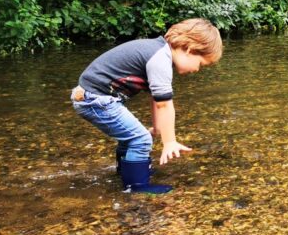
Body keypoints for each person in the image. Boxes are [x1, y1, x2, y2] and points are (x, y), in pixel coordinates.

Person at [71, 18, 223, 193]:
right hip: (96, 98)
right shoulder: (160, 58)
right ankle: (136, 187)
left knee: (132, 137)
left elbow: (155, 98)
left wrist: (158, 128)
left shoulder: (158, 52)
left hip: (91, 96)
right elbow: (164, 105)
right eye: (201, 64)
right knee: (141, 139)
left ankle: (126, 172)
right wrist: (169, 141)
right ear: (189, 49)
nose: (197, 70)